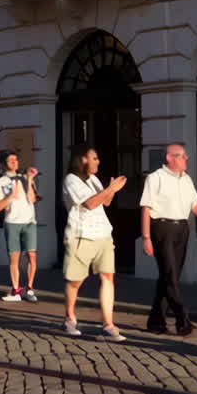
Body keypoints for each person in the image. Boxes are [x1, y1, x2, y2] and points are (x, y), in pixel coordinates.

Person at [140, 142, 197, 336]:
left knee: (169, 276)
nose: (186, 159)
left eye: (185, 155)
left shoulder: (186, 179)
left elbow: (194, 204)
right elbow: (146, 208)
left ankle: (155, 321)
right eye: (182, 155)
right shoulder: (155, 178)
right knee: (170, 275)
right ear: (169, 157)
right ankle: (183, 317)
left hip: (182, 228)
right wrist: (146, 237)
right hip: (162, 228)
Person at [62, 144, 127, 342]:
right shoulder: (71, 180)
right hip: (81, 235)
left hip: (103, 234)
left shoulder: (93, 179)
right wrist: (111, 189)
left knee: (108, 277)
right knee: (76, 281)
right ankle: (70, 317)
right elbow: (89, 204)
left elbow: (105, 202)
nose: (98, 162)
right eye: (94, 158)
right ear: (83, 159)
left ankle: (108, 324)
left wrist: (112, 190)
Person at [0, 151, 40, 303]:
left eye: (16, 159)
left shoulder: (25, 178)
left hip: (29, 222)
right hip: (12, 222)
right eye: (10, 160)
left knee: (32, 255)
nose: (14, 162)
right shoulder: (1, 182)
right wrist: (11, 196)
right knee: (15, 258)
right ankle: (16, 289)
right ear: (3, 164)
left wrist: (30, 180)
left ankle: (29, 288)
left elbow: (33, 199)